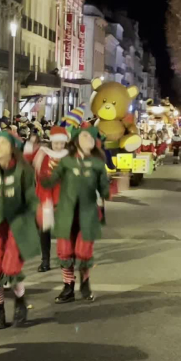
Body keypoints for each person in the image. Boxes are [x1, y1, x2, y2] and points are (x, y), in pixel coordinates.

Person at [0, 131, 40, 329]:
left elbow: (30, 197)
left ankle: (20, 302)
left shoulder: (24, 170)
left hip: (18, 225)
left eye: (3, 142)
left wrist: (39, 211)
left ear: (12, 147)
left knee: (11, 269)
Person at [42, 125, 110, 304]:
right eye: (84, 136)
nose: (87, 139)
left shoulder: (97, 162)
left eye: (90, 137)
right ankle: (68, 286)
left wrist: (108, 191)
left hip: (87, 213)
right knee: (65, 250)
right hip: (66, 211)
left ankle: (85, 283)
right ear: (77, 139)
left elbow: (104, 188)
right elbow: (51, 181)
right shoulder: (66, 160)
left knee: (83, 251)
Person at [26, 126, 70, 273]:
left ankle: (66, 257)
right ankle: (45, 260)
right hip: (44, 198)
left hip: (62, 198)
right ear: (51, 142)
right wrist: (31, 143)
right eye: (56, 143)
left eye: (61, 143)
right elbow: (27, 158)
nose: (59, 146)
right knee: (44, 231)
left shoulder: (69, 157)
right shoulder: (42, 154)